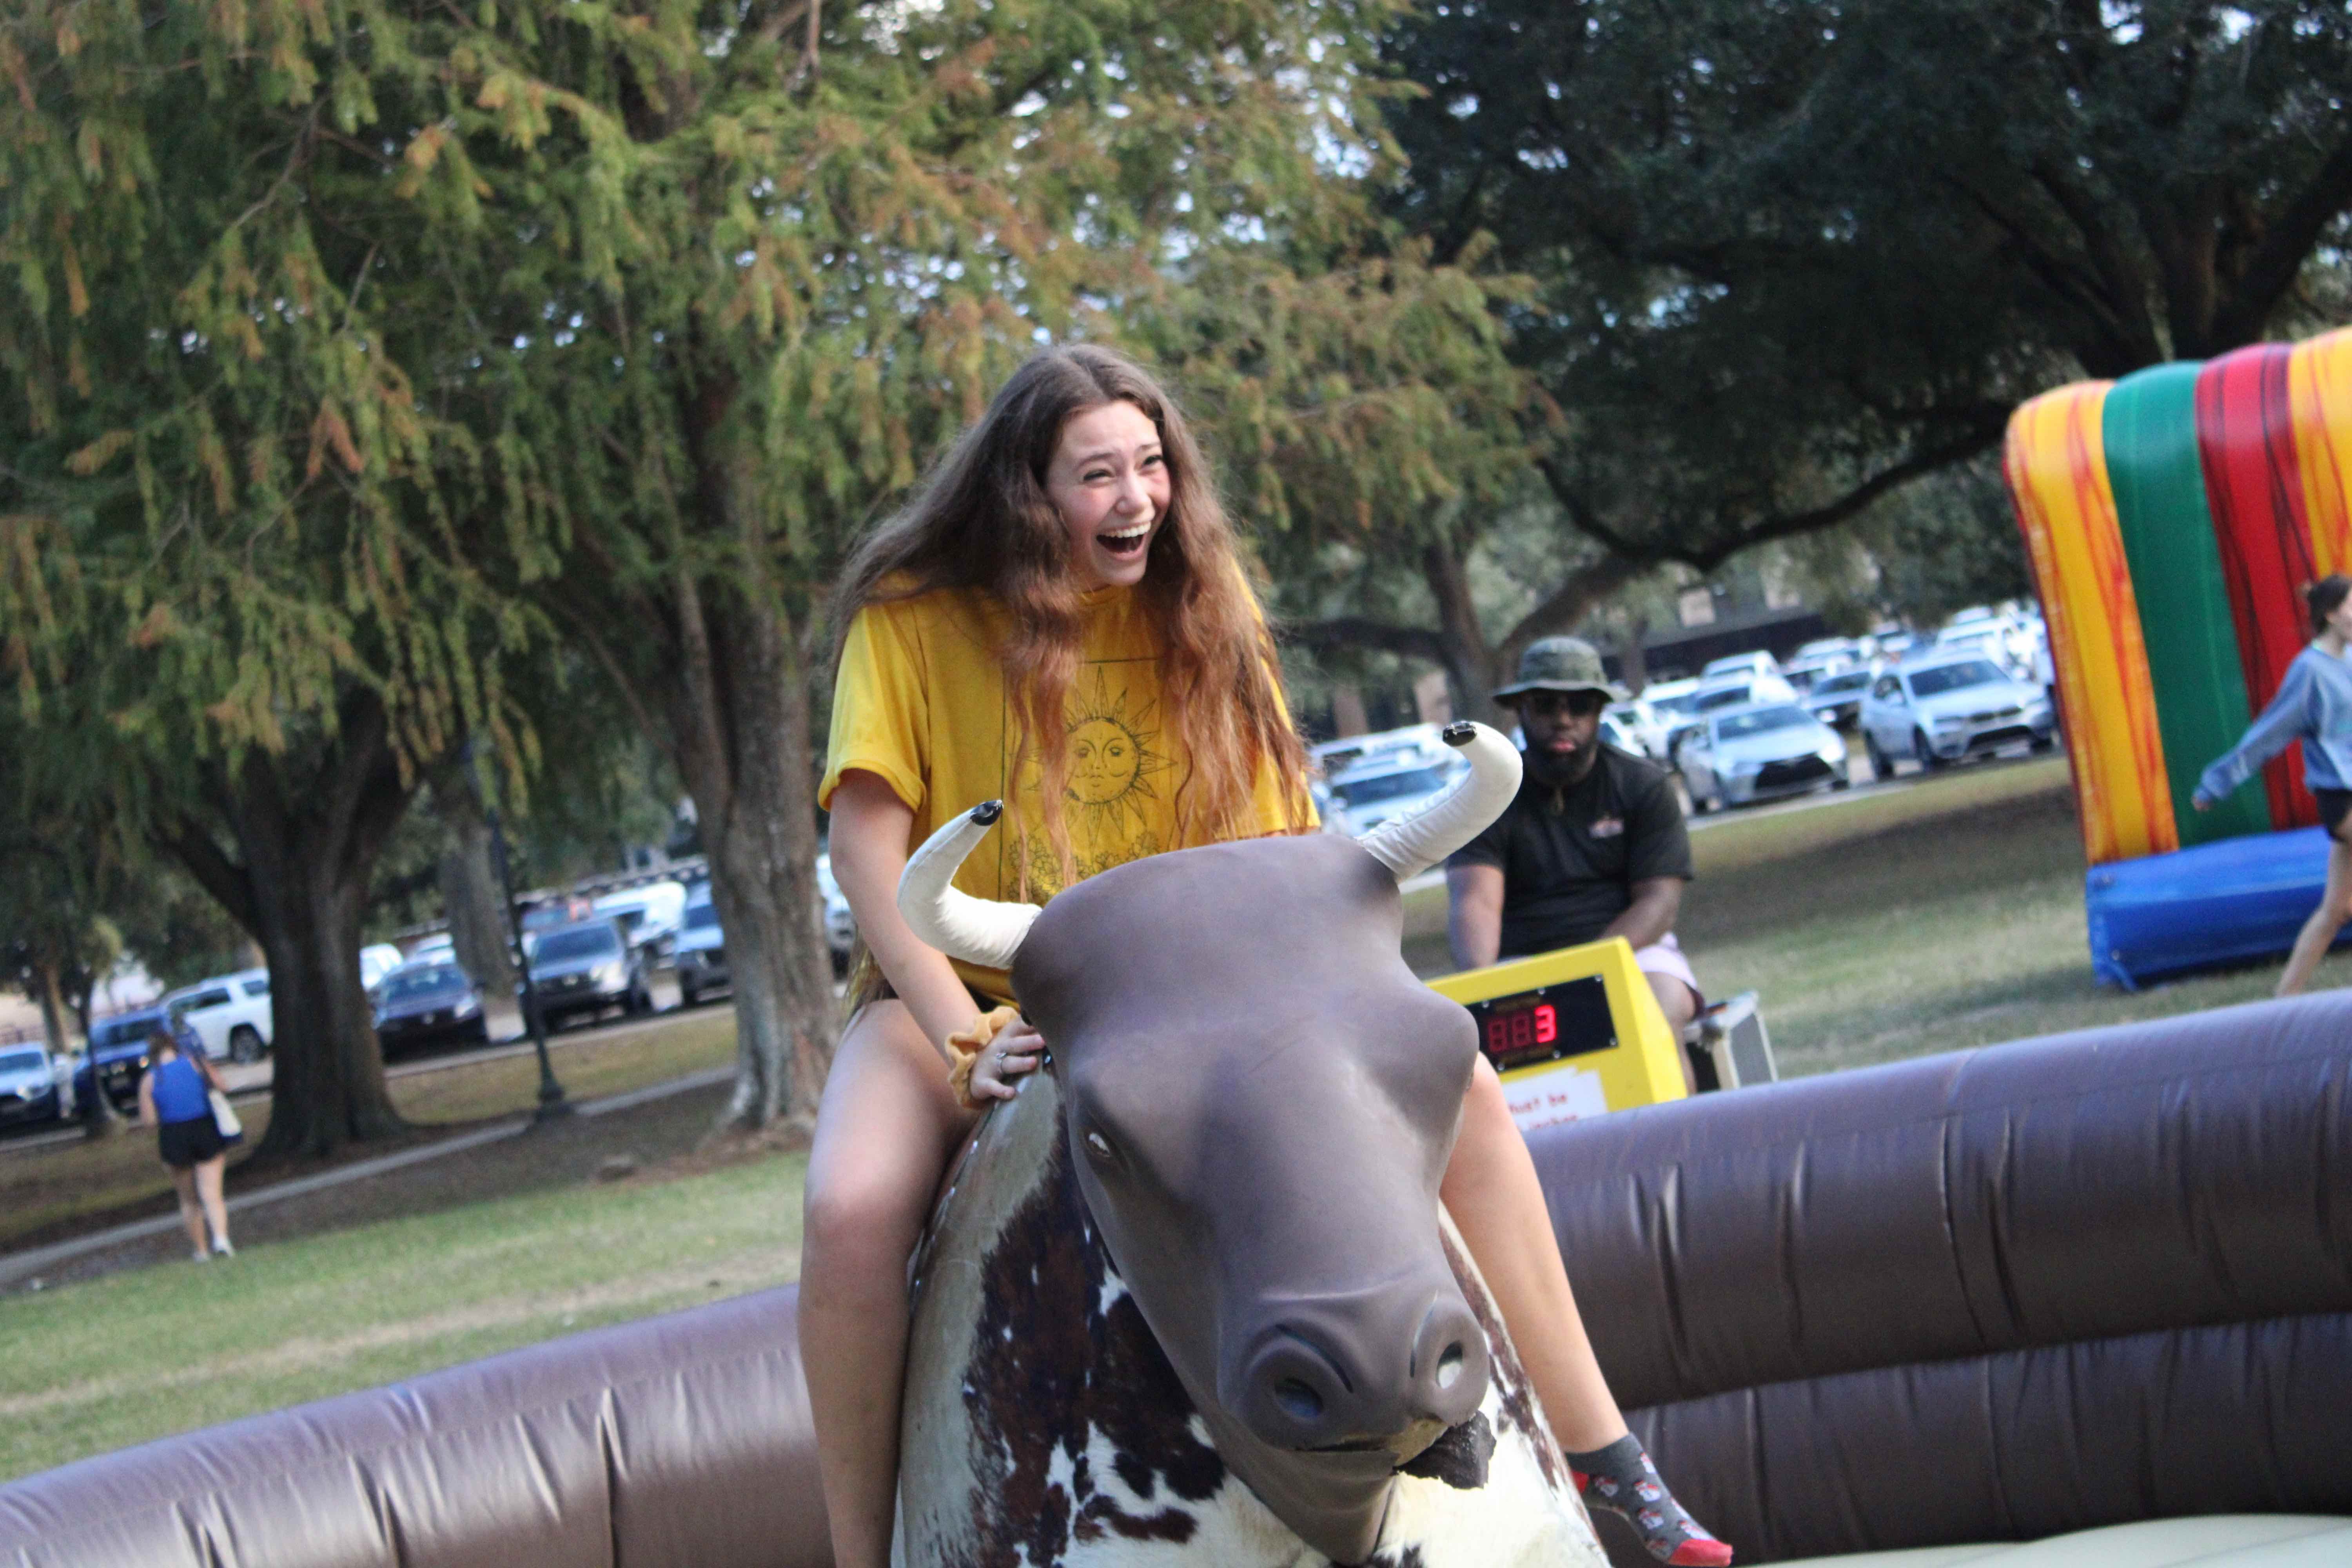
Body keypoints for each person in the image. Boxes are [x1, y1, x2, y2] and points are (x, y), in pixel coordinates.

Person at [803, 347, 1730, 1568]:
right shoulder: (914, 615)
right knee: (851, 1207)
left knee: (1474, 1100)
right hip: (979, 986)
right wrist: (959, 1034)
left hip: (1196, 1000)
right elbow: (868, 856)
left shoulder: (1205, 600)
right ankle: (859, 1548)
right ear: (1029, 492)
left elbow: (1282, 844)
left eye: (1150, 466)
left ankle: (1607, 1457)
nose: (1135, 499)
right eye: (1096, 475)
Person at [1447, 637, 1706, 1049]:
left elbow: (1659, 904)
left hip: (1632, 951)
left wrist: (1589, 970)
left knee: (1658, 1007)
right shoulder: (1487, 796)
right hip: (1520, 962)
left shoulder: (1643, 786)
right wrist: (1484, 987)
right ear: (1521, 710)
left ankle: (1681, 1117)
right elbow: (1475, 901)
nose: (1563, 719)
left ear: (1600, 710)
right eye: (1545, 705)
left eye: (1579, 705)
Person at [2192, 574, 2352, 996]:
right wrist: (2217, 783)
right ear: (2332, 614)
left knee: (2336, 911)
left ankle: (2282, 1003)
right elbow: (2267, 735)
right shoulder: (2309, 671)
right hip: (2343, 799)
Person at [136, 1027, 234, 1261]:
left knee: (189, 1200)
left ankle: (201, 1251)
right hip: (204, 1128)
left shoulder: (150, 1080)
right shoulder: (195, 1064)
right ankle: (221, 1239)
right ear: (174, 1045)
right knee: (212, 1193)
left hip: (173, 1135)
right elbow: (222, 1087)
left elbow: (149, 1121)